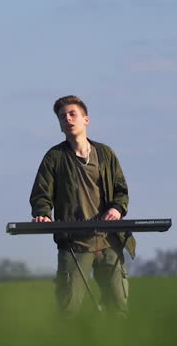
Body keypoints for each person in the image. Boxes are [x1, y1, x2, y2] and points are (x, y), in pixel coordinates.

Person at [29, 95, 135, 314]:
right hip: (75, 243)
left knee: (118, 307)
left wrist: (117, 208)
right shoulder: (54, 157)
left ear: (86, 119)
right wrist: (43, 214)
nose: (67, 119)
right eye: (62, 117)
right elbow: (41, 194)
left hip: (110, 242)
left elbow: (121, 190)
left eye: (72, 114)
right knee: (68, 309)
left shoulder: (105, 154)